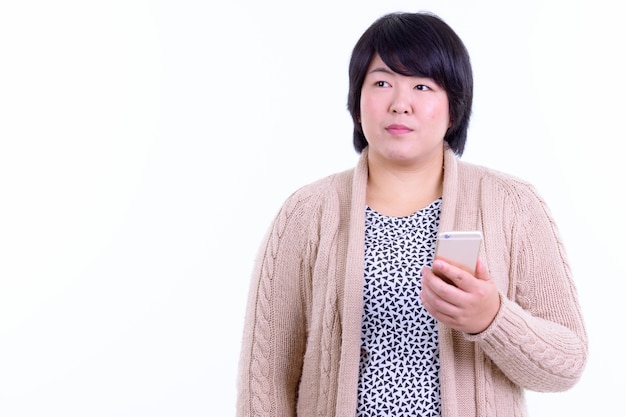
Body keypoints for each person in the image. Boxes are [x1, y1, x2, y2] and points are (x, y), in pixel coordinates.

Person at [236, 11, 588, 417]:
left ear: (453, 108)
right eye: (382, 82)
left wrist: (491, 317)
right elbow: (265, 377)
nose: (400, 104)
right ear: (356, 102)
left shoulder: (512, 204)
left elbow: (567, 365)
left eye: (422, 85)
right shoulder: (307, 213)